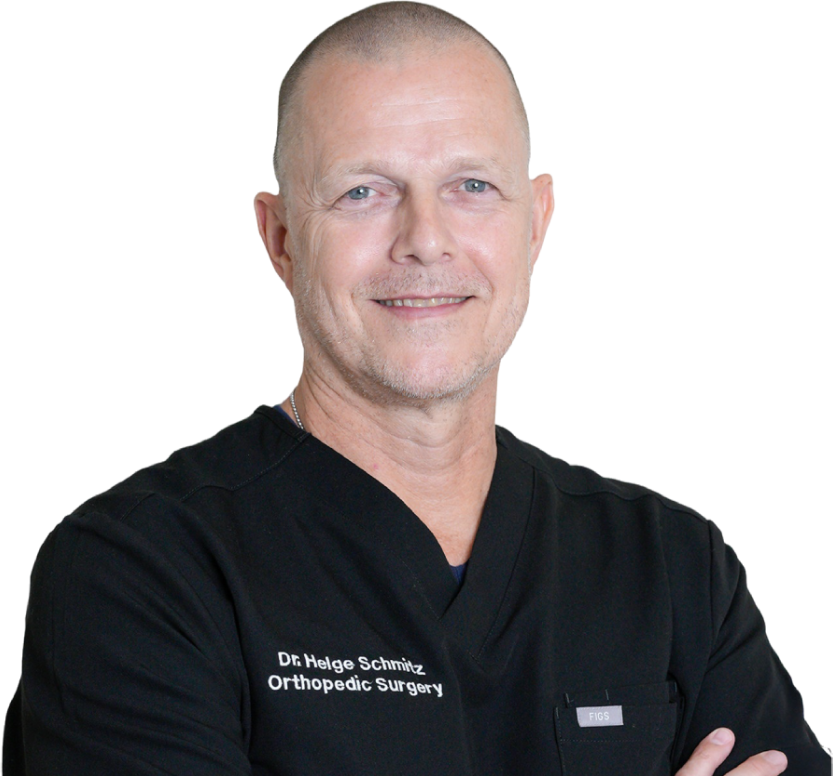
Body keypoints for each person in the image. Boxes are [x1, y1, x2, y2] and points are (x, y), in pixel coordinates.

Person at [2, 3, 829, 775]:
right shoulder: (139, 569)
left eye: (472, 186)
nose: (425, 240)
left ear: (536, 222)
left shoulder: (674, 565)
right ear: (280, 238)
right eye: (363, 192)